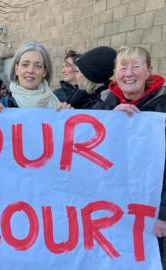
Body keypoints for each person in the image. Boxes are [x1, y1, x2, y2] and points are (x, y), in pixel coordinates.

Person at [92, 45, 166, 258]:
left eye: (136, 66)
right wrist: (110, 121)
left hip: (147, 211)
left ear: (149, 70)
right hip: (106, 210)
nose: (129, 73)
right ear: (115, 74)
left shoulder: (162, 107)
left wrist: (162, 213)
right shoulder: (101, 106)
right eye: (123, 67)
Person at [0, 42, 70, 111]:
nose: (30, 70)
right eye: (25, 65)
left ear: (44, 72)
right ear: (16, 69)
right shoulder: (4, 106)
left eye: (38, 66)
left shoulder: (58, 106)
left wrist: (68, 118)